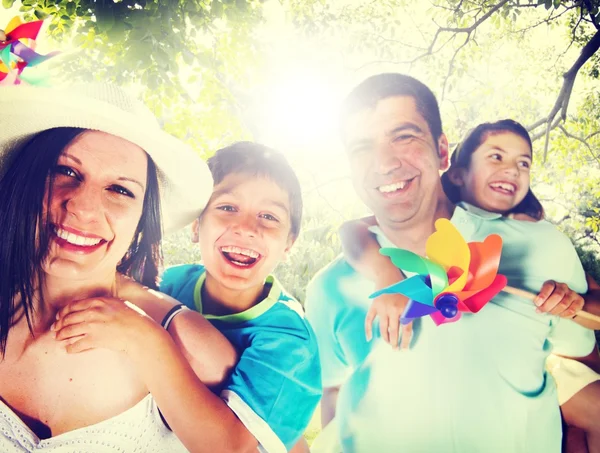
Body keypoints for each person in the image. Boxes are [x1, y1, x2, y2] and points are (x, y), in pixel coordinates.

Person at [305, 74, 597, 452]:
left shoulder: (541, 247)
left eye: (404, 136)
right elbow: (333, 389)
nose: (384, 163)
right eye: (362, 147)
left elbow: (581, 355)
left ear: (443, 151)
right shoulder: (330, 287)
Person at [0, 83, 237, 452]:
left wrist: (148, 342)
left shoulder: (187, 344)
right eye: (65, 171)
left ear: (142, 221)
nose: (83, 207)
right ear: (25, 179)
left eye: (120, 190)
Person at [158, 142, 323, 453]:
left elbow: (231, 447)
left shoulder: (289, 341)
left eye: (269, 216)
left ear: (289, 243)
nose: (246, 228)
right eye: (228, 207)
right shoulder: (167, 284)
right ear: (196, 225)